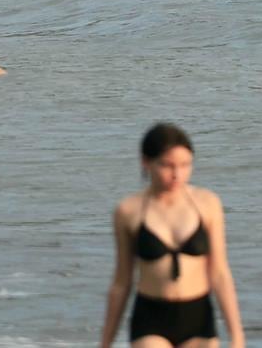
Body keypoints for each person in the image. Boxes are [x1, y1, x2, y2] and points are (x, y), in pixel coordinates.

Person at [99, 123, 244, 348]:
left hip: (198, 317)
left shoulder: (207, 204)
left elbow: (219, 273)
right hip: (151, 317)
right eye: (167, 165)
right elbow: (121, 282)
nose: (177, 174)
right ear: (146, 162)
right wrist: (105, 343)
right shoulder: (128, 211)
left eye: (185, 165)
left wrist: (237, 337)